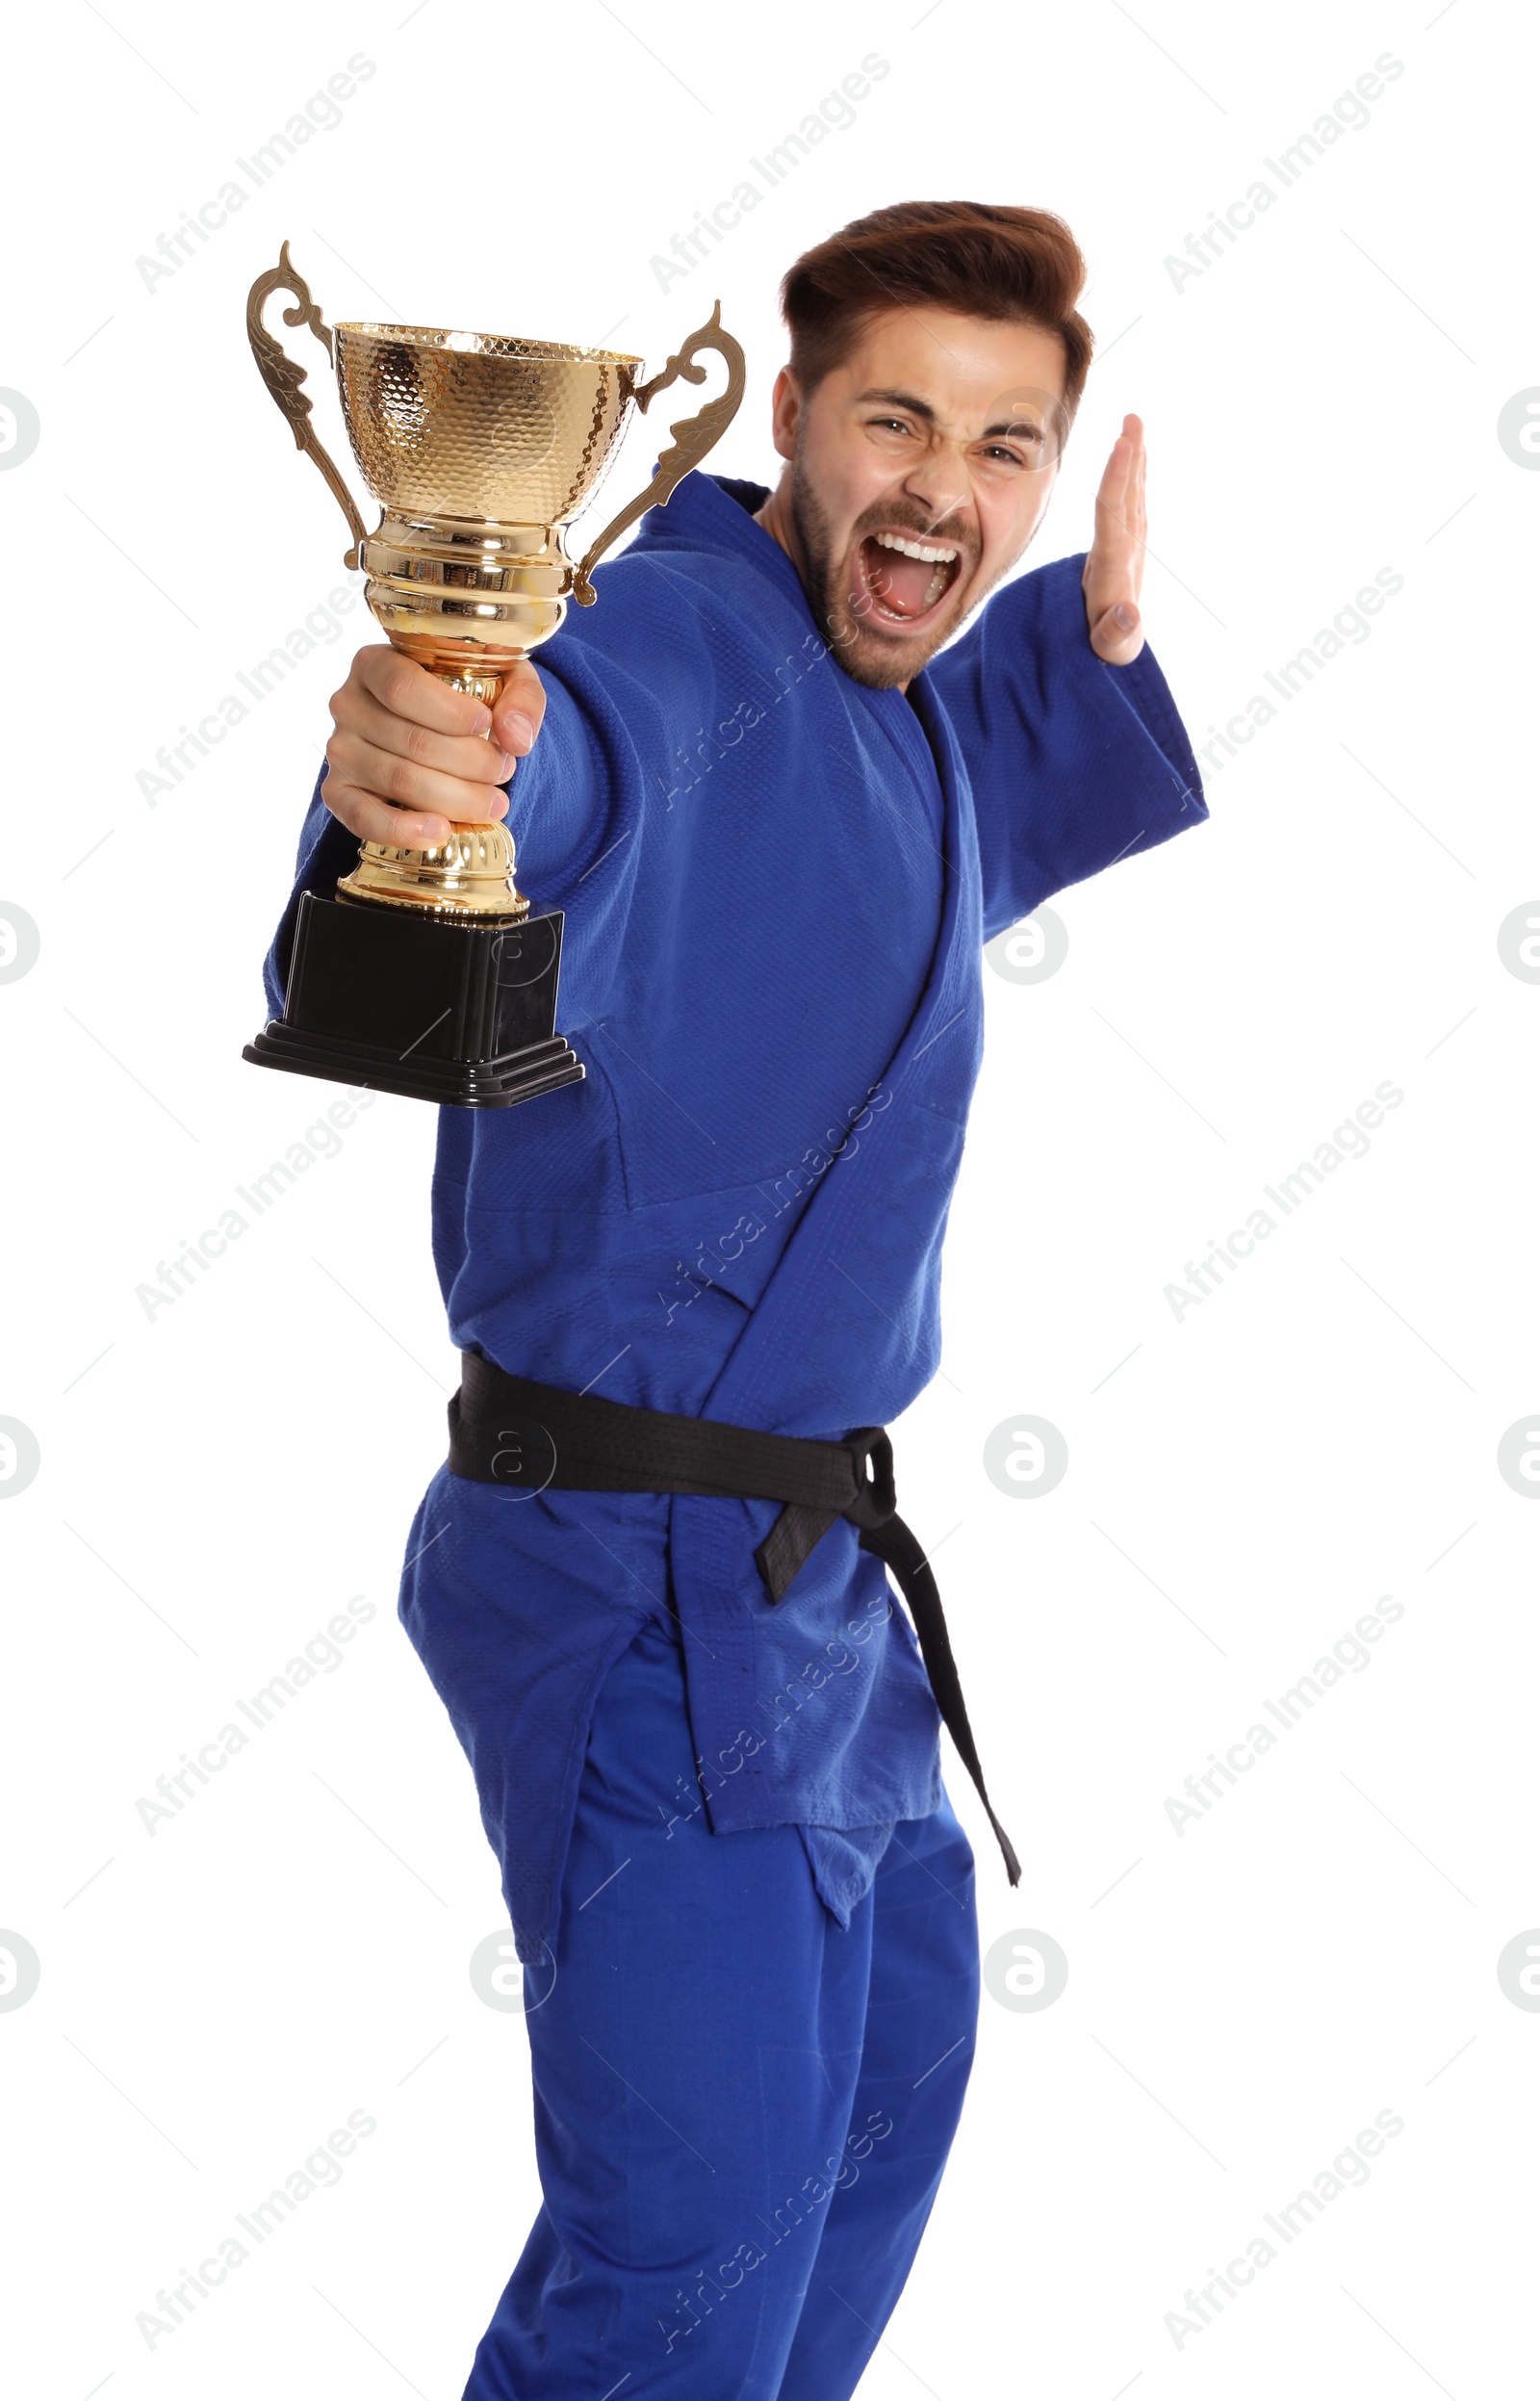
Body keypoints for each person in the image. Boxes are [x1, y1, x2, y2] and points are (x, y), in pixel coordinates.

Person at [262, 198, 1207, 2400]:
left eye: (1001, 450)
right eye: (894, 421)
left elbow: (901, 823)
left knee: (877, 2119)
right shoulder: (667, 645)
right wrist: (442, 767)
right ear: (782, 420)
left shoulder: (891, 712)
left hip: (817, 1608)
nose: (941, 492)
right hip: (628, 1577)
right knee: (684, 2274)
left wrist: (1084, 640)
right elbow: (558, 756)